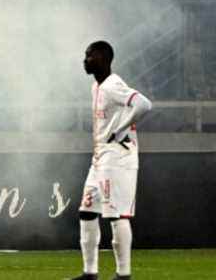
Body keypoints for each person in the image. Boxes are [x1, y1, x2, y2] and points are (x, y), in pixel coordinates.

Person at [69, 41, 153, 280]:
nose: (85, 60)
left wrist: (121, 128)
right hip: (100, 156)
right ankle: (90, 273)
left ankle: (124, 275)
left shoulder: (113, 85)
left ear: (104, 59)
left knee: (116, 215)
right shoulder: (96, 87)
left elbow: (144, 104)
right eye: (85, 56)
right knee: (87, 211)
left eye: (90, 56)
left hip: (118, 156)